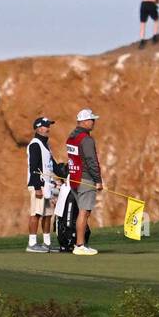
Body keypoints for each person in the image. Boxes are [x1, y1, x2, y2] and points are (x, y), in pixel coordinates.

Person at [66, 108, 103, 255]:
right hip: (85, 179)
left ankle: (80, 243)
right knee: (84, 212)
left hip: (74, 178)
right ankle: (80, 245)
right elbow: (91, 161)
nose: (93, 123)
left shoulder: (71, 137)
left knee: (82, 211)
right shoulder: (86, 139)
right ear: (85, 121)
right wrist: (98, 180)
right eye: (91, 120)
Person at [26, 116, 58, 252]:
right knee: (36, 214)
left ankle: (46, 243)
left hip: (47, 185)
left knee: (47, 215)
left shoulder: (46, 145)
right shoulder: (35, 144)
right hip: (38, 185)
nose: (48, 129)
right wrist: (38, 188)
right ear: (39, 128)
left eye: (48, 126)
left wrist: (64, 175)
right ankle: (32, 244)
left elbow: (53, 165)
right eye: (46, 126)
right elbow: (33, 167)